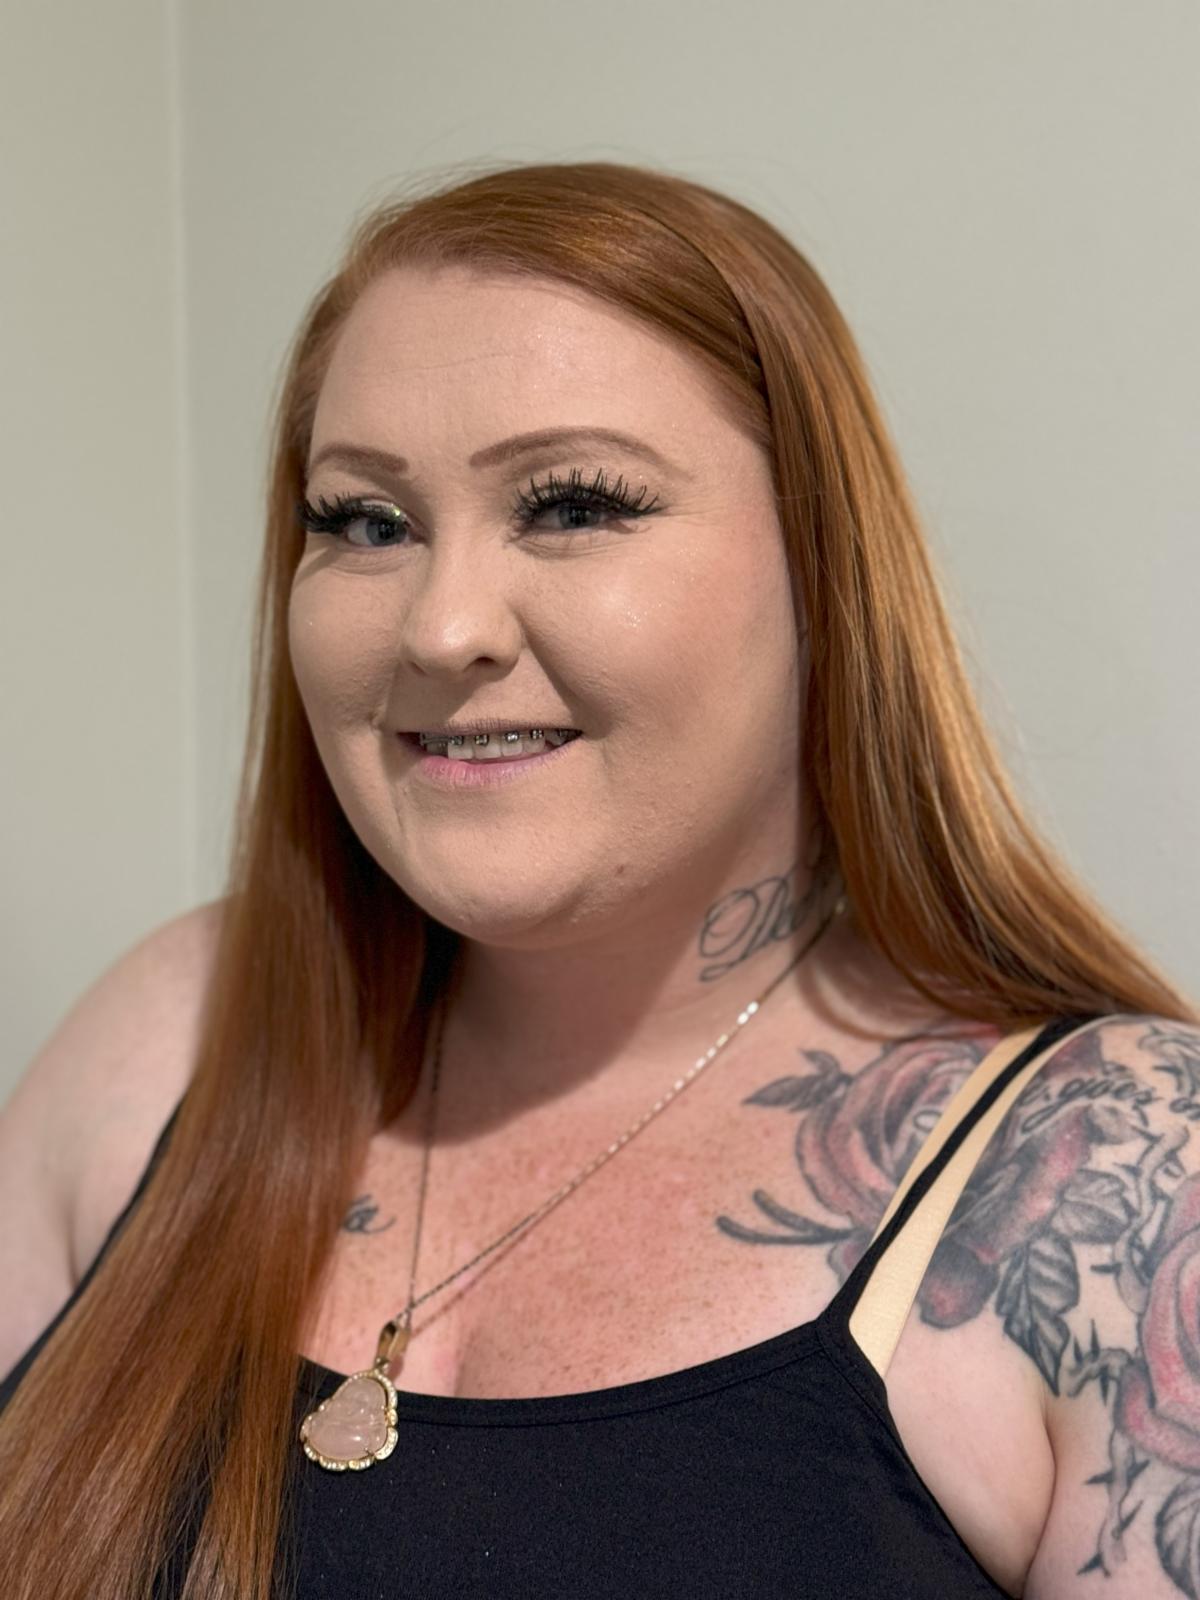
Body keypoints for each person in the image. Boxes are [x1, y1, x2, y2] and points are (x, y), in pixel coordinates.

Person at [0, 159, 1195, 1600]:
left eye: (571, 505)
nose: (440, 627)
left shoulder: (1127, 1177)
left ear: (822, 569)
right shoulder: (177, 1030)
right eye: (365, 522)